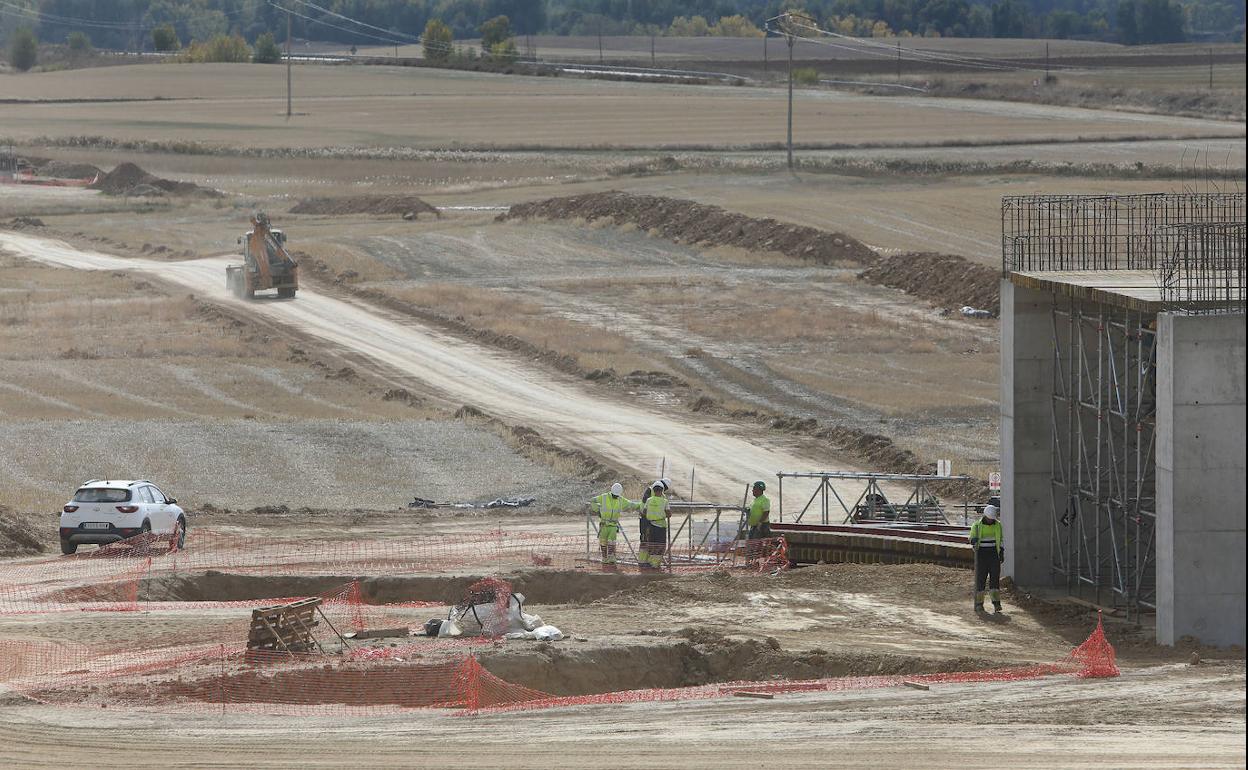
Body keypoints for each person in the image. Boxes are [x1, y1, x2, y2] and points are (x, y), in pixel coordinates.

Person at [590, 482, 639, 566]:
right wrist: (597, 510)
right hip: (604, 525)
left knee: (612, 542)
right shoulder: (604, 497)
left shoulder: (621, 499)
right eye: (614, 495)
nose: (616, 496)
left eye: (617, 495)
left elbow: (631, 504)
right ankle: (605, 558)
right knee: (603, 542)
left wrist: (642, 505)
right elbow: (592, 500)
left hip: (613, 525)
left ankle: (611, 558)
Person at [970, 501, 1005, 613]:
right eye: (990, 519)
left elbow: (1001, 539)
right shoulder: (977, 526)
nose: (991, 521)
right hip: (981, 555)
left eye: (992, 519)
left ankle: (996, 603)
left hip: (994, 554)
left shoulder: (998, 525)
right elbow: (972, 538)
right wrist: (973, 540)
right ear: (985, 516)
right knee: (981, 580)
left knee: (995, 580)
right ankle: (979, 604)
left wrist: (1001, 551)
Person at [637, 482, 670, 570]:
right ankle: (655, 565)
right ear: (662, 491)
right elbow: (669, 514)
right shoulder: (664, 501)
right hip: (661, 526)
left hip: (650, 525)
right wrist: (661, 515)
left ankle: (649, 562)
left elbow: (644, 512)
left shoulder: (648, 500)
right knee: (660, 545)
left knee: (651, 544)